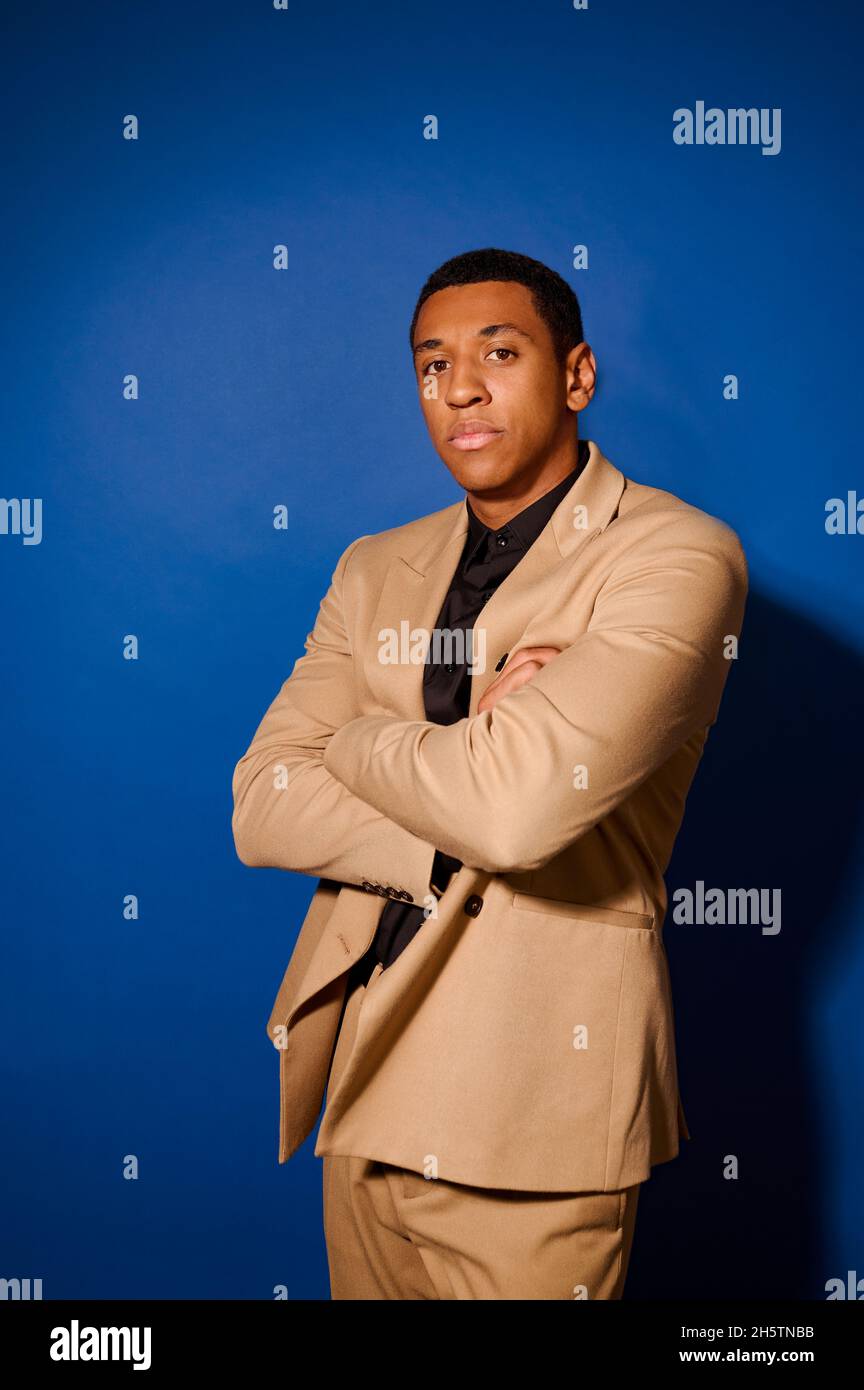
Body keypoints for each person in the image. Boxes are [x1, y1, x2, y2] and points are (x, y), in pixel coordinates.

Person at [231, 247, 748, 1300]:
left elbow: (515, 815)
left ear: (576, 375)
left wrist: (358, 742)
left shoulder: (677, 555)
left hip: (533, 1105)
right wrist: (464, 751)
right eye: (431, 365)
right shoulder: (374, 564)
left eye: (497, 353)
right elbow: (262, 803)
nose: (458, 387)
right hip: (362, 1080)